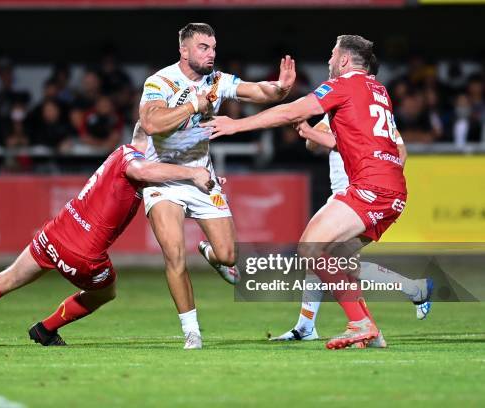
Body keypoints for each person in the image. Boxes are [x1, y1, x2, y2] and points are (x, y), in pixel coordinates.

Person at [205, 35, 408, 349]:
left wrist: (236, 125)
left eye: (331, 54)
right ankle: (372, 333)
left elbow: (291, 111)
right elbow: (377, 146)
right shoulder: (378, 92)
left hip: (369, 187)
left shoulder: (344, 85)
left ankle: (361, 322)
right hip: (393, 192)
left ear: (343, 60)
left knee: (311, 247)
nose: (328, 61)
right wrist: (315, 134)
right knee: (336, 258)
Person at [0, 143, 214, 346]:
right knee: (106, 293)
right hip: (83, 254)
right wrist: (192, 172)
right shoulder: (135, 160)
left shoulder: (120, 153)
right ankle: (46, 329)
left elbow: (151, 174)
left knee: (9, 277)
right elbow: (144, 169)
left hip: (56, 232)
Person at [133, 22, 296, 349]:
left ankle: (212, 254)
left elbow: (259, 91)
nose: (211, 53)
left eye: (213, 47)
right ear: (184, 50)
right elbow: (150, 123)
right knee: (174, 255)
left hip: (202, 176)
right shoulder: (159, 82)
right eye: (203, 47)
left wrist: (281, 88)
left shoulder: (217, 81)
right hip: (162, 177)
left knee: (229, 255)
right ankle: (191, 330)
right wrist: (194, 105)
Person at [270, 113, 433, 346]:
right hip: (355, 197)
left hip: (357, 198)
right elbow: (400, 151)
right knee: (329, 261)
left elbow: (311, 140)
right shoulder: (365, 113)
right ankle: (310, 326)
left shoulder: (355, 109)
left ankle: (402, 298)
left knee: (324, 257)